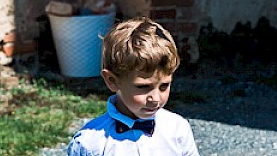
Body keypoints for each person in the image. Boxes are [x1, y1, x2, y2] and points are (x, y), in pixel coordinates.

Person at [67, 17, 200, 156]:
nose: (155, 99)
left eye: (164, 86)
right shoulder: (89, 143)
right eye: (143, 87)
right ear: (112, 81)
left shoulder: (177, 129)